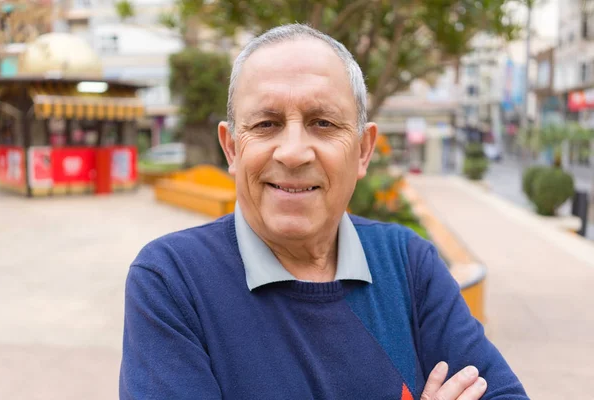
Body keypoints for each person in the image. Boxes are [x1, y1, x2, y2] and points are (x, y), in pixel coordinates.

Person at [119, 24, 528, 400]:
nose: (293, 152)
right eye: (266, 124)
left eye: (322, 123)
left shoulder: (407, 264)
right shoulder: (173, 281)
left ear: (364, 150)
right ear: (231, 148)